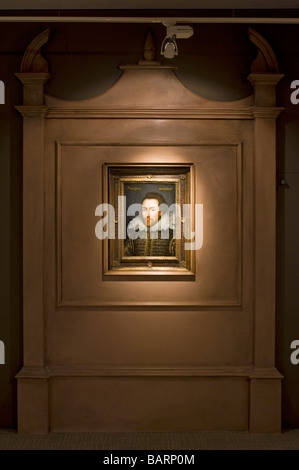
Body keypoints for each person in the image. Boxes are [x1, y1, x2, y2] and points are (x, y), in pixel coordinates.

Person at [124, 191, 175, 257]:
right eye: (144, 209)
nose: (147, 214)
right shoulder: (133, 233)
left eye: (152, 210)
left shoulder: (172, 234)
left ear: (161, 212)